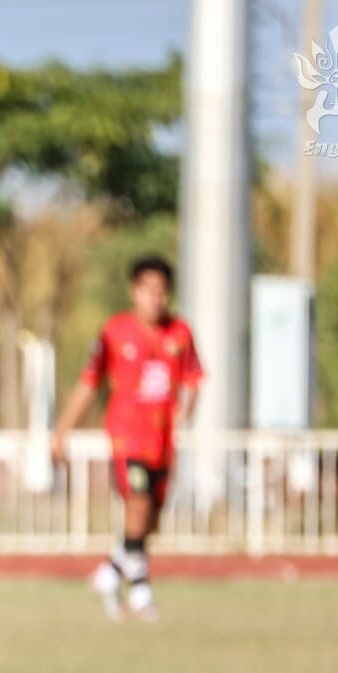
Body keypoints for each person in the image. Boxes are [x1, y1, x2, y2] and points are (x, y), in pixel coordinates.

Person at [51, 255, 202, 621]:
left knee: (150, 521)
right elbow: (90, 383)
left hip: (163, 442)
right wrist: (63, 431)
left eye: (162, 292)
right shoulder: (115, 332)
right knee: (138, 506)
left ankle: (110, 571)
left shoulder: (180, 333)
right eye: (148, 290)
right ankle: (140, 592)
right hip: (127, 436)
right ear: (134, 291)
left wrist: (189, 407)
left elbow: (194, 378)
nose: (155, 299)